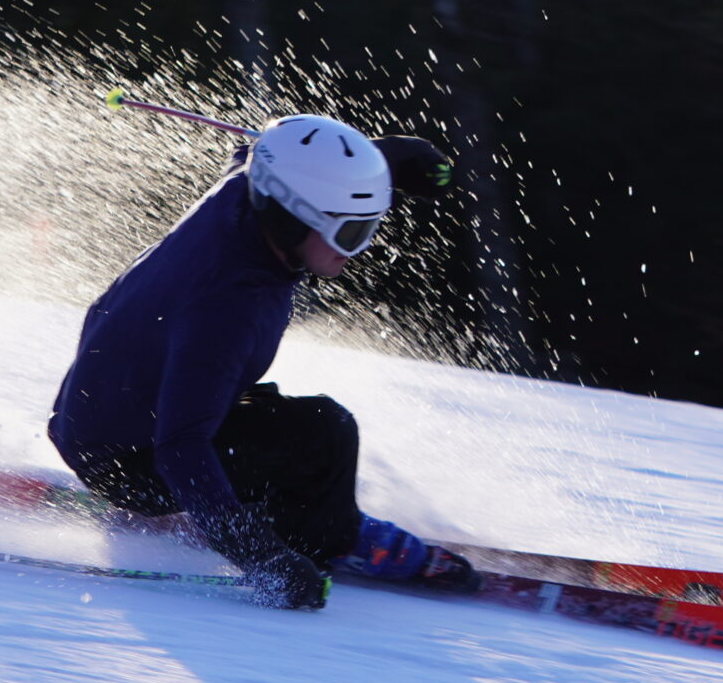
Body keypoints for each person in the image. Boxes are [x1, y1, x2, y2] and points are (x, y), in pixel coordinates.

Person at [46, 112, 477, 609]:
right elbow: (181, 446)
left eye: (370, 226)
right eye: (351, 233)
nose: (359, 249)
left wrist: (379, 160)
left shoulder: (246, 195)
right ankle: (333, 540)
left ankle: (220, 508)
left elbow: (272, 156)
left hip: (109, 414)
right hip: (130, 462)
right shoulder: (229, 305)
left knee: (277, 421)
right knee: (322, 433)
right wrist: (263, 560)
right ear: (292, 218)